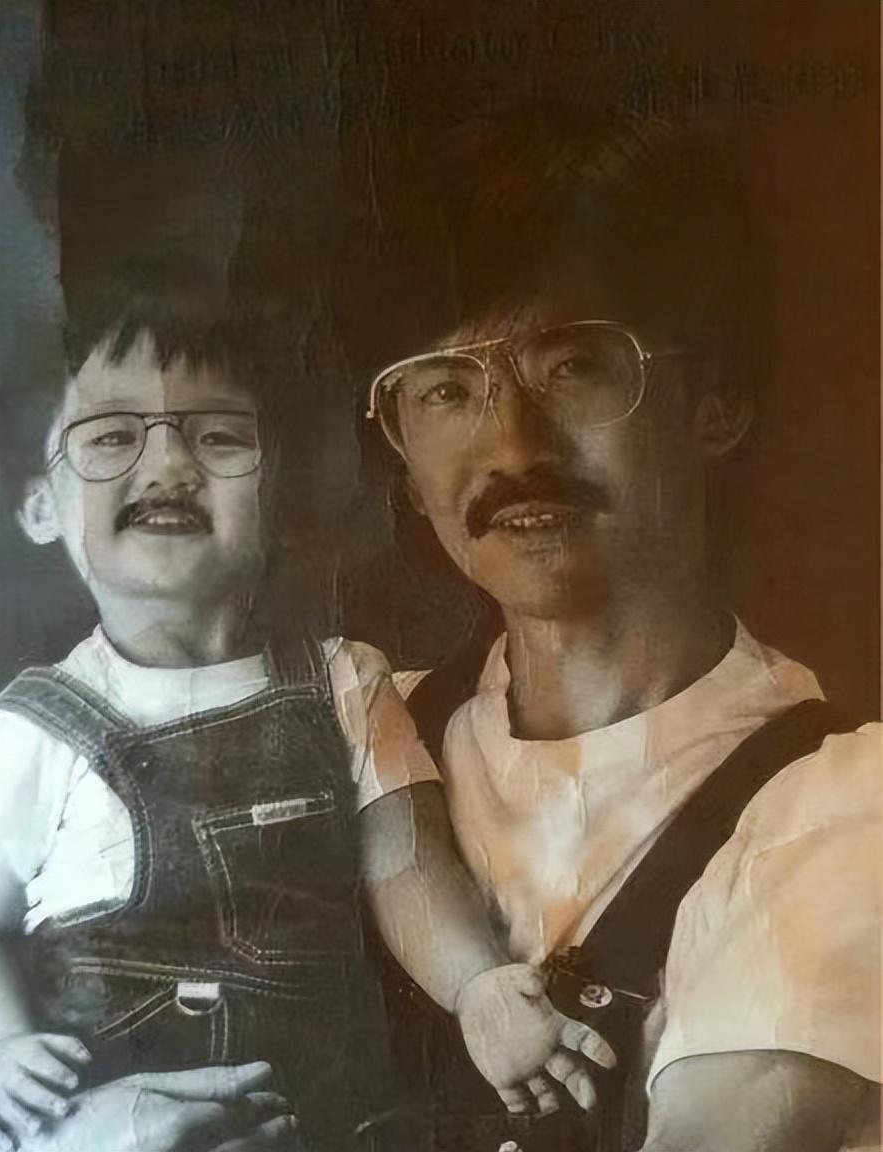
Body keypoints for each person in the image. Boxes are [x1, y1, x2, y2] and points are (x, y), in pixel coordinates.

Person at [0, 258, 615, 1152]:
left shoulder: (344, 682)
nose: (169, 463)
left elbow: (405, 869)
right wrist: (3, 1052)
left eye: (219, 437)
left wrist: (476, 984)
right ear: (38, 506)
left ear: (274, 492)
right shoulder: (38, 727)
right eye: (110, 437)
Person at [353, 106, 882, 1151]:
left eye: (573, 366)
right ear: (404, 461)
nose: (511, 447)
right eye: (448, 389)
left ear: (713, 403)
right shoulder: (369, 737)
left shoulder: (840, 804)